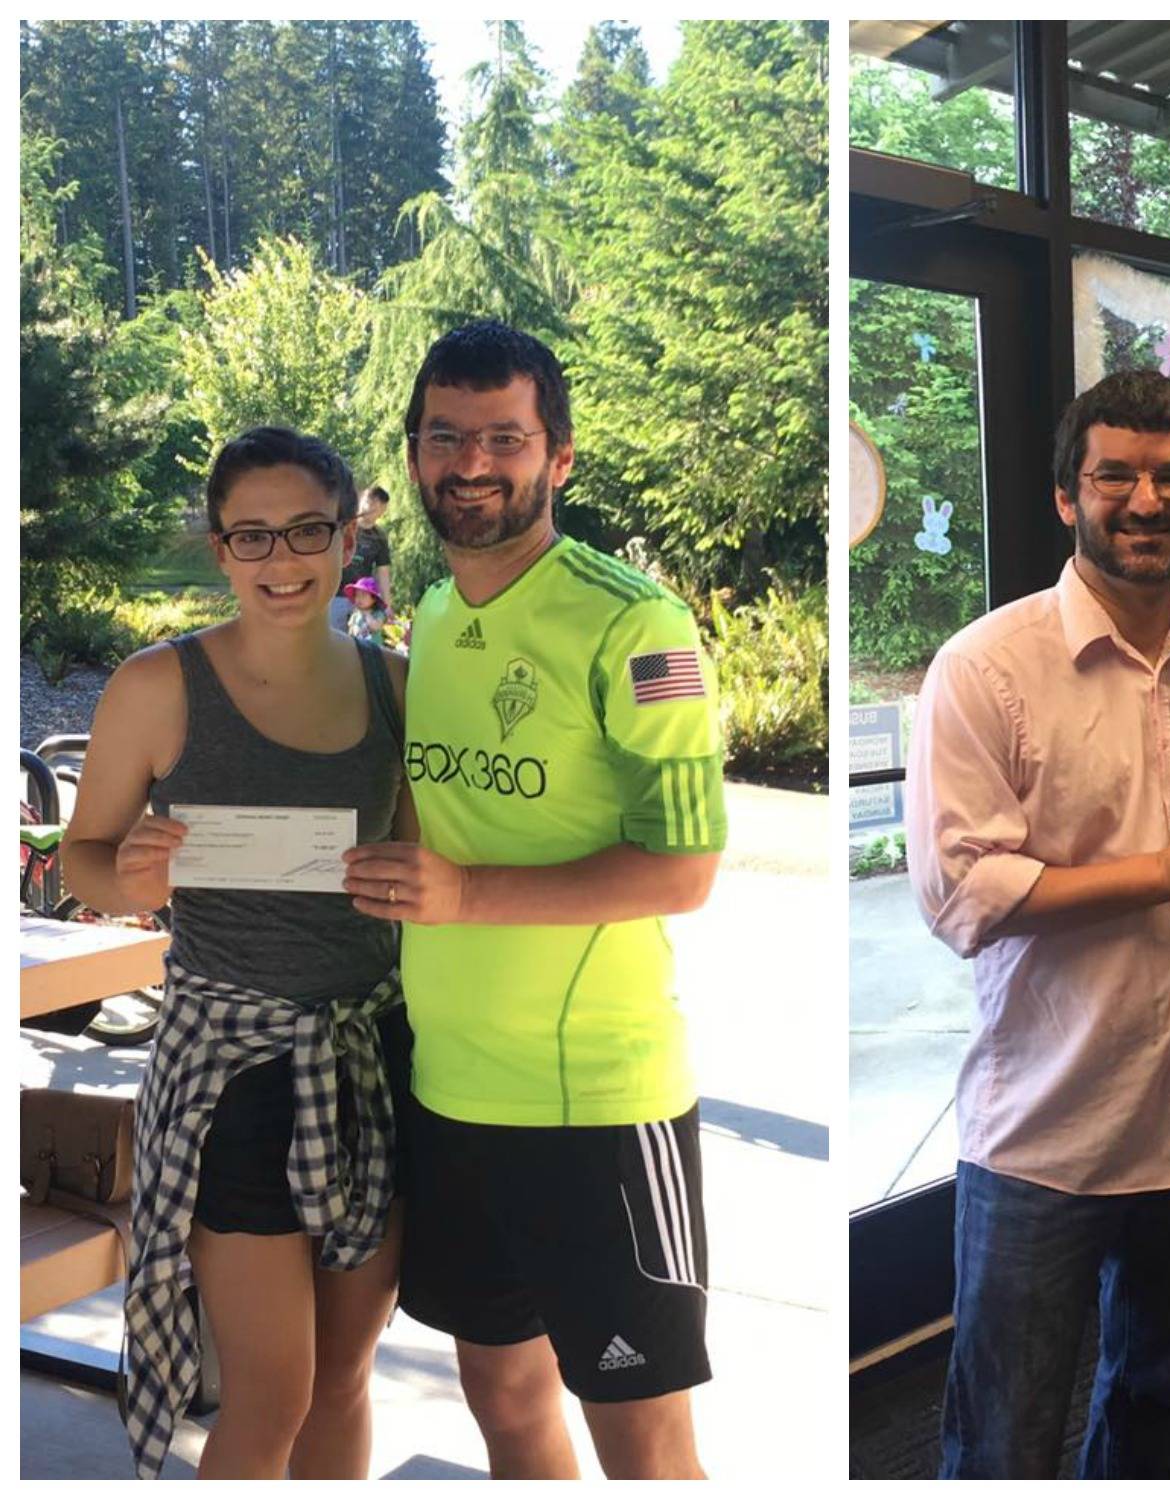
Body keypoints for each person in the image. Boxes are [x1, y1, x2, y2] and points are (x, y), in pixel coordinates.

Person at [341, 321, 727, 1480]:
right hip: (448, 1091)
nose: (471, 463)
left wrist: (460, 895)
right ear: (412, 457)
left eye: (502, 438)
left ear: (557, 457)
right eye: (445, 438)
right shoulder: (439, 613)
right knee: (504, 1398)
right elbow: (432, 804)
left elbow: (684, 870)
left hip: (596, 1106)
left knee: (647, 1446)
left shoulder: (634, 624)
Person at [905, 369, 1170, 1479]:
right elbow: (962, 894)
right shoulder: (985, 667)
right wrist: (1162, 870)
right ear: (1068, 496)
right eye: (1115, 474)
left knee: (1154, 1402)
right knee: (1004, 1434)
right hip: (1045, 1133)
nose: (1145, 499)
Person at [61, 427, 412, 1480]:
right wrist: (127, 879)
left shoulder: (397, 686)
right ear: (219, 550)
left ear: (347, 537)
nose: (281, 560)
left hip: (371, 1055)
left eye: (306, 530)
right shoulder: (159, 686)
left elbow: (426, 862)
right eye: (250, 537)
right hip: (233, 1072)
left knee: (348, 1376)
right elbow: (80, 854)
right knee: (272, 1392)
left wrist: (417, 881)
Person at [330, 483, 393, 631]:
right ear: (363, 500)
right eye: (370, 502)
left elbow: (383, 573)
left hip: (362, 602)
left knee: (356, 645)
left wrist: (387, 606)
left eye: (378, 507)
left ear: (382, 510)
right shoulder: (342, 526)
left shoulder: (379, 538)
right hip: (335, 595)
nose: (372, 509)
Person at [344, 576, 389, 642]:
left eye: (363, 595)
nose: (360, 598)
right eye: (357, 595)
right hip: (357, 647)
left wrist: (367, 615)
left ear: (373, 599)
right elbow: (351, 630)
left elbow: (376, 627)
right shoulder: (355, 614)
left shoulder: (378, 613)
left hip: (372, 648)